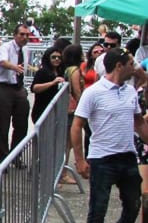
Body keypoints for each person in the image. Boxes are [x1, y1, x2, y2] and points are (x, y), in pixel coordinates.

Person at [71, 47, 148, 223]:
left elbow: (138, 123)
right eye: (131, 64)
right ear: (119, 66)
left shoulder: (129, 92)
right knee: (98, 208)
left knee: (134, 202)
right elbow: (77, 126)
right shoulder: (93, 93)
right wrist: (80, 160)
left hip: (126, 157)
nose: (135, 68)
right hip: (102, 158)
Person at [0, 24, 31, 165]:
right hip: (5, 87)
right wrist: (14, 67)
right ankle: (3, 158)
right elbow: (2, 61)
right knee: (3, 124)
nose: (24, 38)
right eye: (22, 34)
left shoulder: (26, 49)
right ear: (15, 35)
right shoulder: (6, 47)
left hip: (19, 87)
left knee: (21, 123)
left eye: (27, 35)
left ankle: (16, 155)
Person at [62, 44, 85, 184]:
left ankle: (62, 172)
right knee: (68, 143)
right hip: (72, 109)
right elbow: (77, 91)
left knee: (67, 143)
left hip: (68, 108)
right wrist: (84, 105)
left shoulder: (67, 70)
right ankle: (63, 173)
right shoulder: (75, 71)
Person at [80, 43, 105, 156]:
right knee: (88, 131)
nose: (99, 53)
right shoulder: (84, 66)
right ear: (90, 54)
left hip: (102, 100)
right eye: (96, 51)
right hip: (87, 99)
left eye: (101, 51)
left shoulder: (106, 66)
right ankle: (87, 156)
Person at [30, 46, 64, 123]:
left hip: (56, 111)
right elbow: (34, 88)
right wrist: (52, 83)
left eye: (59, 57)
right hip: (42, 110)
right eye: (53, 57)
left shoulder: (61, 72)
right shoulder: (42, 72)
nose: (57, 59)